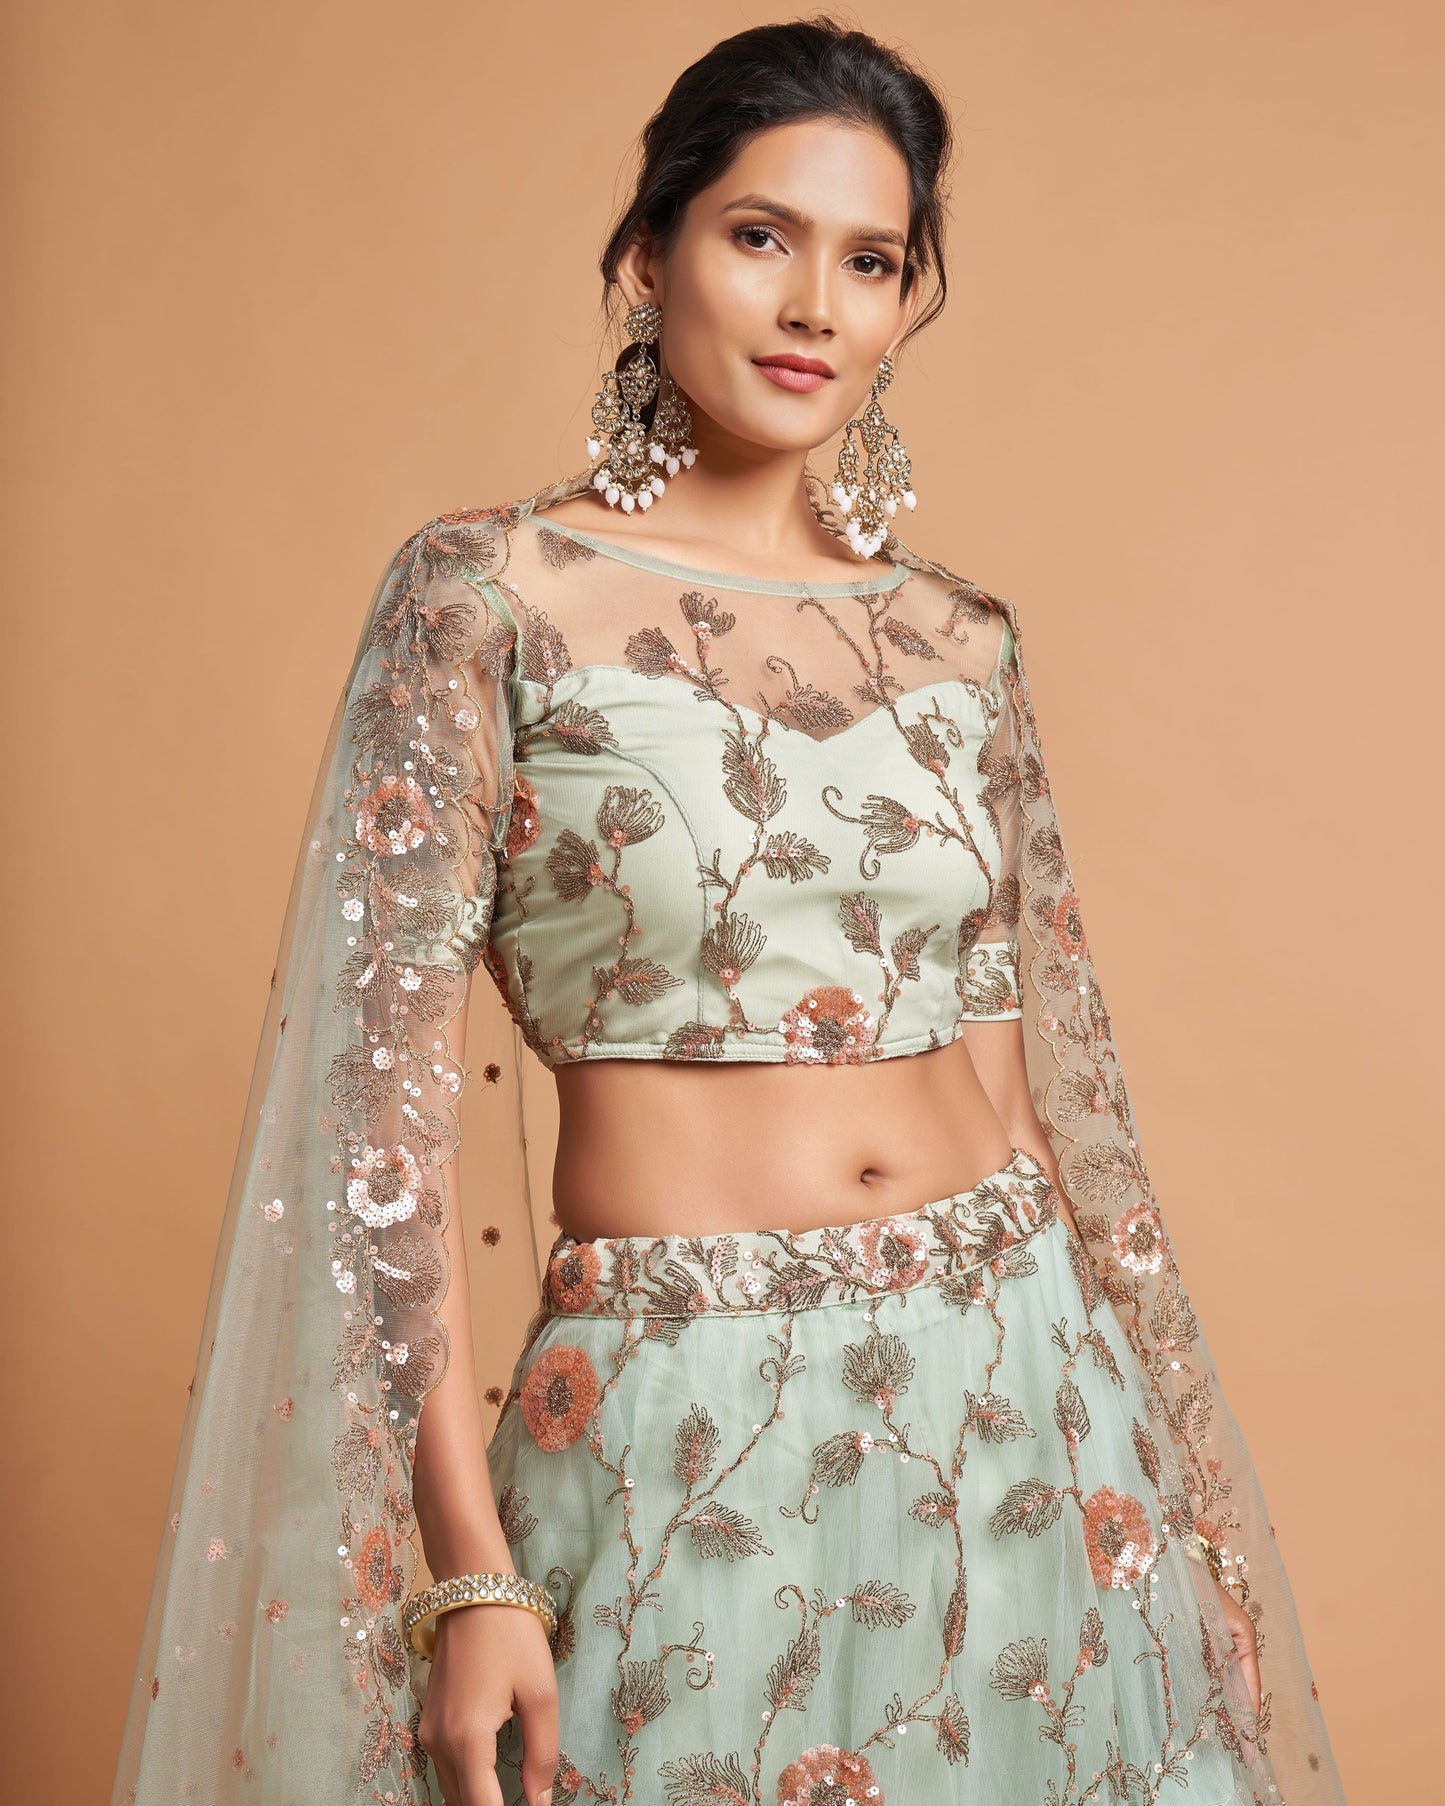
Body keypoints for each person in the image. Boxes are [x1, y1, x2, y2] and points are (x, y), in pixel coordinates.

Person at [111, 17, 1349, 1806]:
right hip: (681, 1407)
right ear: (649, 252)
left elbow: (1026, 1085)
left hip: (1016, 1381)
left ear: (910, 302)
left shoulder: (957, 638)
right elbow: (370, 1124)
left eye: (872, 260)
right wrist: (469, 1567)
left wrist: (1169, 1490)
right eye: (760, 236)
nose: (814, 307)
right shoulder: (490, 595)